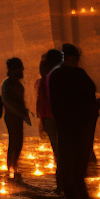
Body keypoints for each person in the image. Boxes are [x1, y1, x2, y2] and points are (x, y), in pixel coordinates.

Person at [48, 43, 99, 199]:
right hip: (79, 128)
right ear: (72, 57)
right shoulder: (79, 76)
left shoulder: (60, 76)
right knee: (74, 169)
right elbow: (89, 101)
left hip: (69, 127)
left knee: (70, 169)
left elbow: (56, 105)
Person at [1, 57, 31, 180]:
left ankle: (15, 166)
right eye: (20, 68)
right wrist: (21, 113)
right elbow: (8, 102)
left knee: (19, 142)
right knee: (14, 141)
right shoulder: (7, 84)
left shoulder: (17, 84)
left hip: (18, 116)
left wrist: (24, 113)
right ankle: (10, 168)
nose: (22, 70)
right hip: (11, 117)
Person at [36, 49, 62, 185]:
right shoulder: (55, 77)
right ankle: (63, 183)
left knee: (58, 152)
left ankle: (61, 182)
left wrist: (42, 122)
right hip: (56, 118)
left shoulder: (44, 78)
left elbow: (40, 103)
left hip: (49, 118)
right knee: (61, 152)